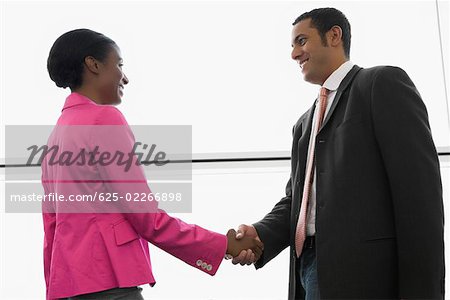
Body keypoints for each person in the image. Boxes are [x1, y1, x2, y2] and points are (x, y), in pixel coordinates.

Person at [231, 7, 445, 300]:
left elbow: (420, 196)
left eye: (302, 41)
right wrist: (260, 234)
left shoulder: (381, 85)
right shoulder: (304, 124)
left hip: (366, 275)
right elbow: (298, 201)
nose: (294, 53)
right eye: (293, 45)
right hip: (307, 270)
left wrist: (424, 292)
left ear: (334, 36)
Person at [42, 29, 263, 300]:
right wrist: (221, 245)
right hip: (109, 283)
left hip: (71, 287)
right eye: (119, 65)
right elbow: (145, 217)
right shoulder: (105, 119)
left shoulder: (57, 134)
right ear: (94, 65)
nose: (125, 77)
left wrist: (55, 288)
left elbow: (51, 227)